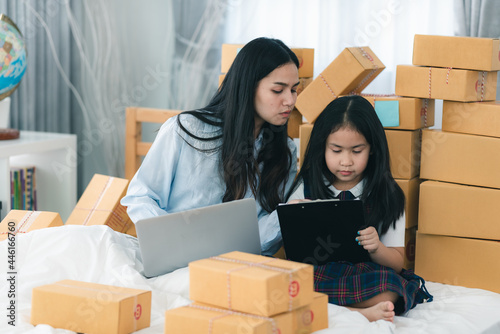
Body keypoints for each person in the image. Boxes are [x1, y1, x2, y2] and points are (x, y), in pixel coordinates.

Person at [121, 37, 300, 256]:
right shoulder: (187, 130)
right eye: (278, 90)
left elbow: (260, 235)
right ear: (248, 87)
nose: (290, 100)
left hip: (234, 264)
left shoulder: (285, 152)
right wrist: (170, 242)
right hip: (173, 257)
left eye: (293, 90)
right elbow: (141, 196)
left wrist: (287, 216)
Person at [284, 95, 432, 322]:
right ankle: (358, 312)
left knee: (391, 288)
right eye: (336, 150)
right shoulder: (306, 187)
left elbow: (397, 262)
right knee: (284, 284)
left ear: (372, 149)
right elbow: (293, 254)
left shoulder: (388, 195)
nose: (346, 161)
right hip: (318, 271)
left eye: (356, 151)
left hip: (363, 273)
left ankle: (331, 307)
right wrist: (295, 213)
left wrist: (377, 248)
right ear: (322, 147)